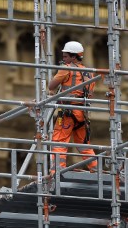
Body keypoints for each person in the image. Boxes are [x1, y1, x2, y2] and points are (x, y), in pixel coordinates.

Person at [48, 40, 97, 171]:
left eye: (66, 56)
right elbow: (90, 95)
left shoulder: (66, 69)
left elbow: (51, 86)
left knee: (59, 141)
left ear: (74, 56)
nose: (63, 59)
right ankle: (96, 169)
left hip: (68, 112)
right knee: (84, 145)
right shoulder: (90, 73)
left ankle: (56, 171)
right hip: (82, 113)